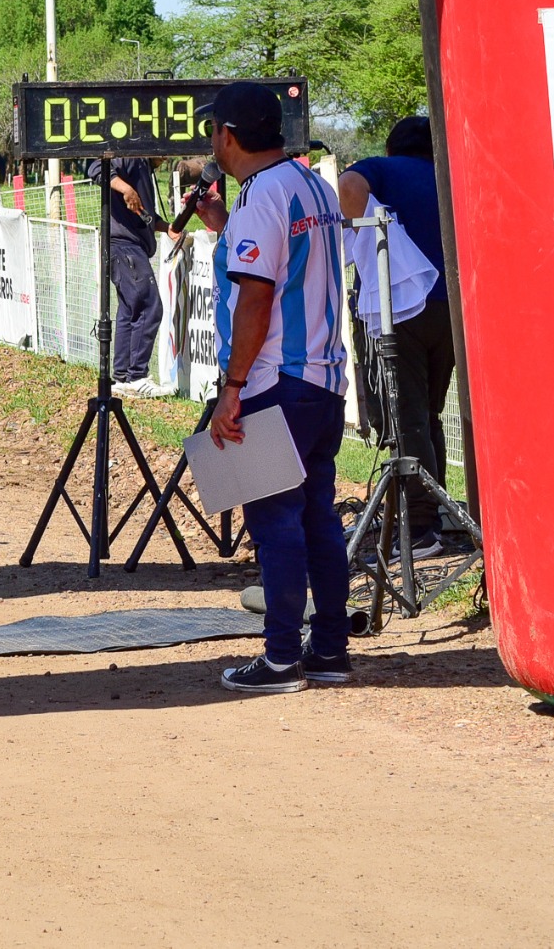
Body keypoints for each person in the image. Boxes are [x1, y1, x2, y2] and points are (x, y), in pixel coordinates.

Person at [201, 81, 352, 694]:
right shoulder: (313, 182)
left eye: (214, 130)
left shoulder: (260, 195)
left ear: (228, 136)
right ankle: (331, 652)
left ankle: (283, 657)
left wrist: (232, 386)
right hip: (325, 381)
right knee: (318, 516)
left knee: (276, 522)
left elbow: (256, 297)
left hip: (274, 382)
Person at [340, 115, 459, 556]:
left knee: (407, 415)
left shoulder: (384, 169)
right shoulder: (447, 173)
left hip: (406, 307)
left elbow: (350, 185)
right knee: (430, 412)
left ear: (392, 148)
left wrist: (357, 237)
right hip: (453, 311)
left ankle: (421, 527)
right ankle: (442, 509)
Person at [102, 156, 170, 398]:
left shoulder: (144, 168)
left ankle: (121, 377)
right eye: (165, 151)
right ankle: (137, 376)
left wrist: (167, 227)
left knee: (130, 310)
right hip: (124, 246)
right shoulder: (133, 156)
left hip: (127, 246)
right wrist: (126, 189)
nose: (166, 158)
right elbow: (97, 167)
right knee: (150, 307)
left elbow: (143, 215)